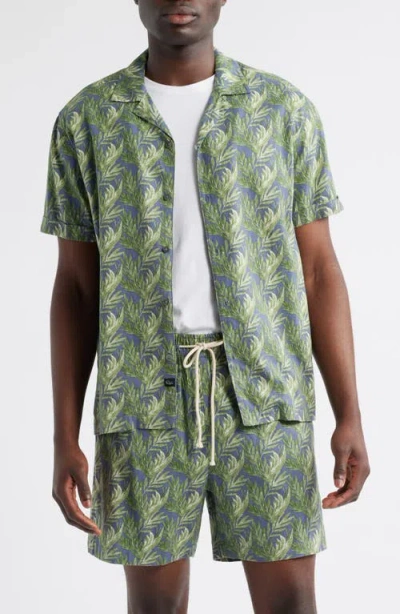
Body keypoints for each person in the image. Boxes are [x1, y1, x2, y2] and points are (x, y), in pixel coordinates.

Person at [40, 1, 371, 612]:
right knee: (155, 608)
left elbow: (320, 272)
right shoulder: (88, 120)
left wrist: (348, 412)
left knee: (291, 603)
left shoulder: (282, 111)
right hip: (142, 400)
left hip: (266, 397)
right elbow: (77, 289)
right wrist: (64, 434)